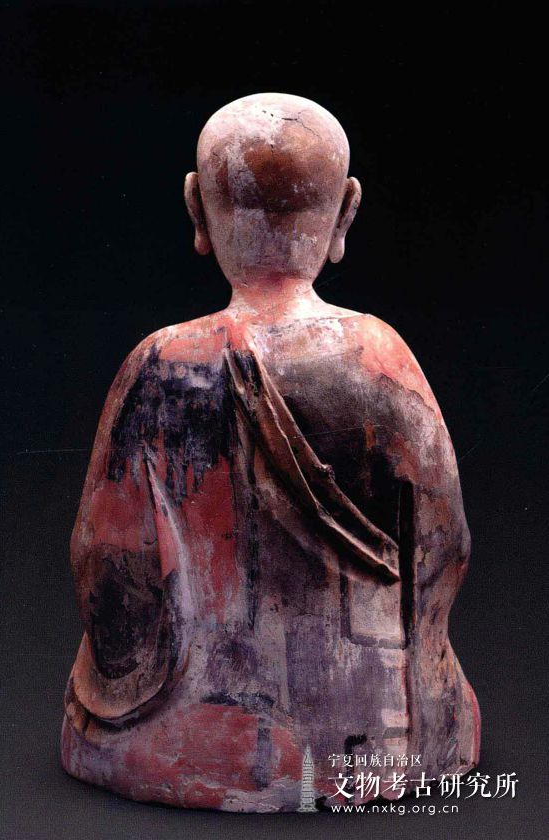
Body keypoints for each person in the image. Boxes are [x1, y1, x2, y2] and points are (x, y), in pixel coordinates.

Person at [61, 92, 480, 811]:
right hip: (374, 729)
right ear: (344, 215)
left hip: (194, 731)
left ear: (197, 211)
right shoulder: (382, 358)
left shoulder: (162, 364)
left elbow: (105, 557)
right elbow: (446, 547)